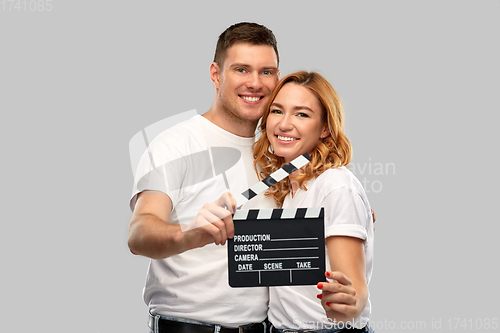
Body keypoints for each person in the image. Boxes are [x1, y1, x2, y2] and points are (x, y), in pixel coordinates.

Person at [128, 22, 281, 332]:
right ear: (216, 74)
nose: (255, 83)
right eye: (241, 70)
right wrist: (189, 232)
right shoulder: (175, 144)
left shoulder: (279, 152)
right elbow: (139, 233)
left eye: (267, 72)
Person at [253, 71, 375, 332]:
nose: (284, 124)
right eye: (277, 111)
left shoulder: (334, 185)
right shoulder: (288, 188)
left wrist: (347, 304)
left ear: (325, 128)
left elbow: (354, 289)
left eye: (302, 114)